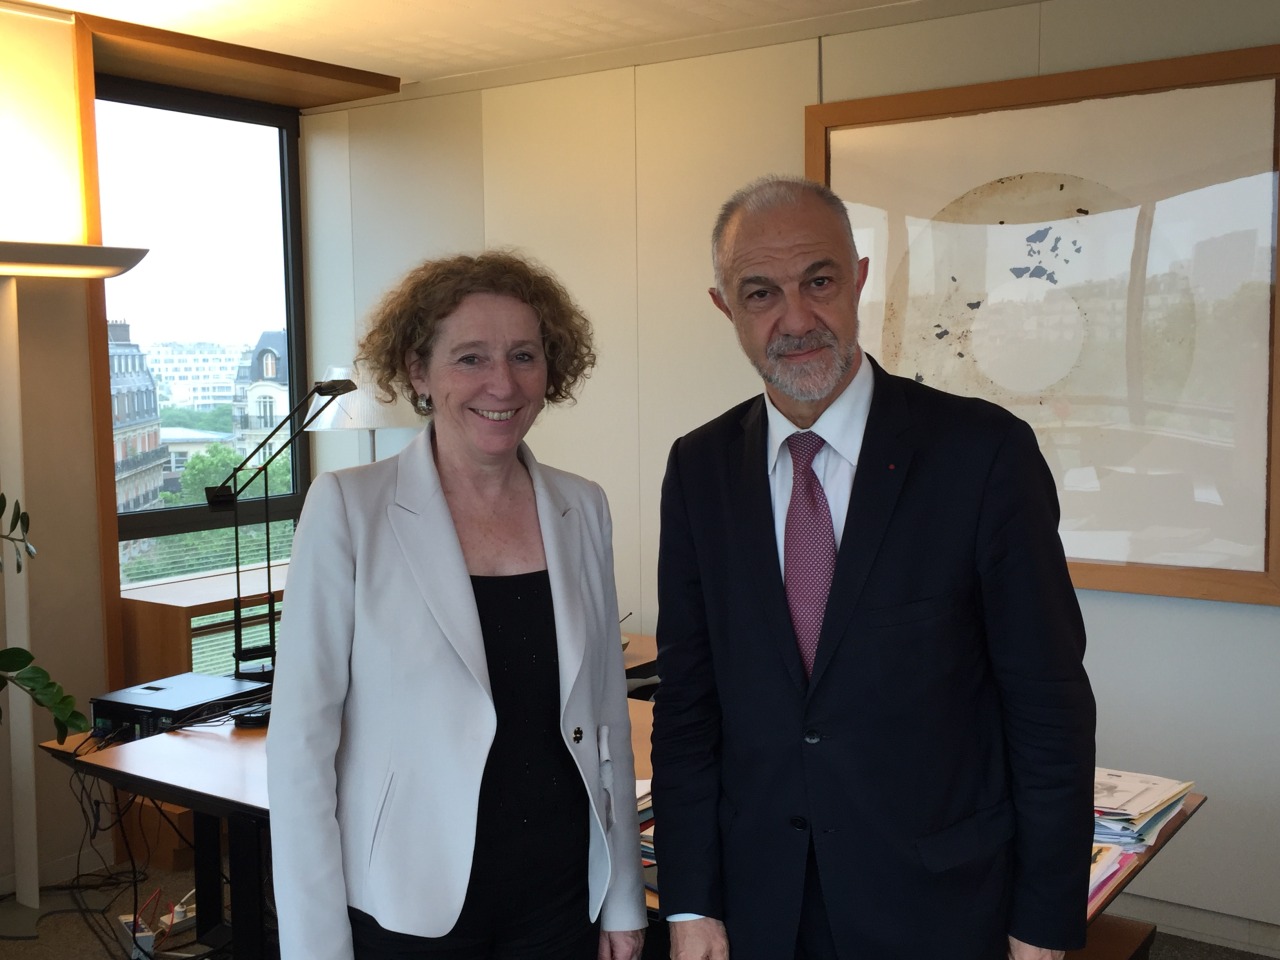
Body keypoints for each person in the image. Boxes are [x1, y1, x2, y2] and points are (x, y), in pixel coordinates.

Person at [650, 176, 1096, 960]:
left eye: (818, 281)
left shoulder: (983, 456)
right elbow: (689, 708)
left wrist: (1042, 922)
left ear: (857, 279)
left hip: (940, 906)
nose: (795, 319)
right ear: (726, 309)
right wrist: (690, 903)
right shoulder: (699, 469)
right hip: (761, 907)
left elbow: (1048, 710)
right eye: (760, 293)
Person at [268, 251, 646, 960]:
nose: (501, 383)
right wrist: (316, 946)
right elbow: (300, 750)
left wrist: (622, 896)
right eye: (470, 358)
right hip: (409, 904)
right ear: (418, 371)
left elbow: (604, 721)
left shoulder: (581, 506)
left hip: (560, 898)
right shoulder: (350, 509)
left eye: (524, 356)